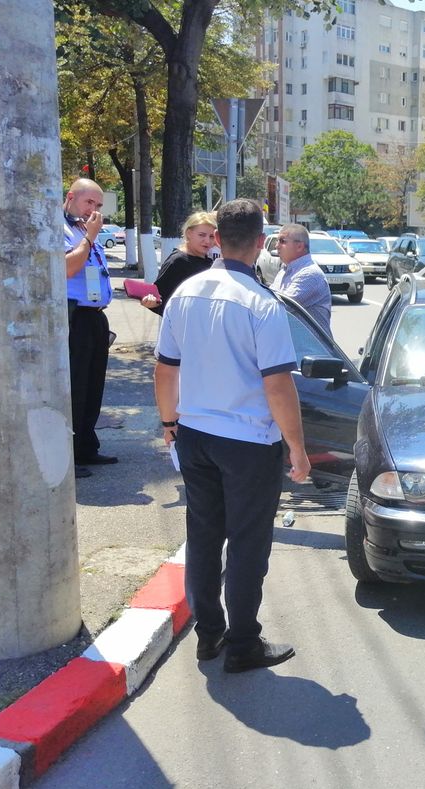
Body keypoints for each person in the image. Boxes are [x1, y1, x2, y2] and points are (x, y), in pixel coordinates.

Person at [153, 199, 311, 673]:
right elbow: (278, 386)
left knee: (203, 536)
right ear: (261, 244)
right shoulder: (263, 305)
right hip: (248, 443)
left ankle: (208, 636)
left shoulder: (185, 293)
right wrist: (298, 449)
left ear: (217, 239)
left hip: (194, 435)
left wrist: (168, 424)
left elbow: (165, 369)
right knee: (247, 542)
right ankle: (242, 644)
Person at [63, 178, 116, 479]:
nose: (93, 210)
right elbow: (68, 268)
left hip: (96, 315)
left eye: (97, 205)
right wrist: (90, 239)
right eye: (88, 203)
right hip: (76, 317)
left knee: (94, 385)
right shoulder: (64, 229)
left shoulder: (85, 230)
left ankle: (86, 446)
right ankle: (69, 453)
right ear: (71, 198)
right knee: (76, 386)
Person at [140, 211, 217, 315]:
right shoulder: (178, 261)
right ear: (189, 233)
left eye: (211, 236)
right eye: (202, 235)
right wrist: (152, 302)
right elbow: (160, 299)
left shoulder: (207, 260)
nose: (207, 241)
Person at [270, 223, 332, 335]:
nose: (277, 246)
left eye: (282, 241)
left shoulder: (310, 274)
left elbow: (278, 309)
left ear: (299, 246)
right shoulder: (285, 270)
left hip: (312, 351)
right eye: (277, 241)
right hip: (296, 349)